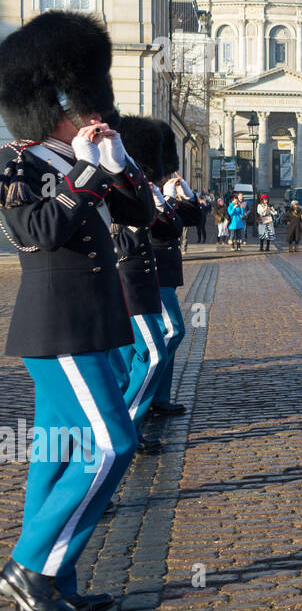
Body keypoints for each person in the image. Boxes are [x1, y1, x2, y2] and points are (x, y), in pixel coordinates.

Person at [0, 11, 155, 611]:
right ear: (53, 106)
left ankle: (54, 580)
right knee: (115, 445)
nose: (93, 116)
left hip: (91, 327)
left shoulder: (82, 157)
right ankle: (31, 565)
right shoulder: (19, 163)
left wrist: (118, 161)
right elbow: (35, 233)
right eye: (81, 108)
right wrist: (89, 172)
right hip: (57, 327)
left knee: (57, 454)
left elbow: (145, 217)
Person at [106, 116, 169, 451]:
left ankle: (127, 425)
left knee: (128, 365)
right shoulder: (106, 186)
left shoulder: (133, 186)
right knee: (153, 354)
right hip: (127, 286)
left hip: (140, 286)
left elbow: (165, 225)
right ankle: (125, 424)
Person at [153, 134, 198, 421]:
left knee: (163, 337)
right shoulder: (141, 195)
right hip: (149, 275)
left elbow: (192, 217)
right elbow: (160, 226)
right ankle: (140, 399)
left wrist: (186, 193)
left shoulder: (156, 194)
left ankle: (159, 397)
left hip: (164, 275)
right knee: (171, 332)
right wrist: (166, 197)